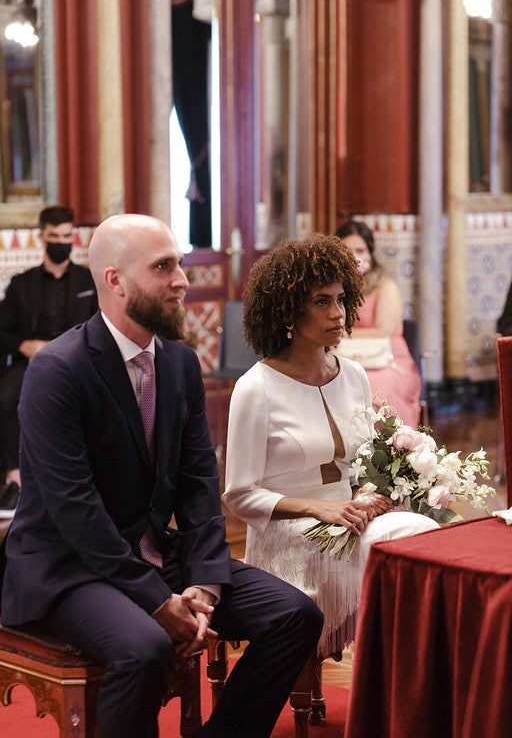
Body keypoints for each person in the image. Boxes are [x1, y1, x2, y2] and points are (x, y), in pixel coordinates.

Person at [0, 213, 323, 738]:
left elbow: (199, 486)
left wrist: (204, 583)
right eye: (163, 267)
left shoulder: (178, 364)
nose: (182, 280)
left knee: (296, 615)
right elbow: (75, 508)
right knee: (146, 646)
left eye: (180, 264)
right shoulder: (57, 371)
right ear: (115, 280)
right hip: (67, 566)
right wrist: (155, 599)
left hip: (153, 553)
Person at [222, 234, 439, 661]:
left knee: (421, 534)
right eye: (322, 301)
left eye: (342, 299)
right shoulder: (255, 388)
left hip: (349, 520)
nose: (338, 313)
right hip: (288, 535)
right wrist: (317, 508)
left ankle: (408, 678)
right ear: (287, 310)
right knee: (396, 544)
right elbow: (238, 495)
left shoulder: (355, 374)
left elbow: (360, 466)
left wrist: (371, 495)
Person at [0, 205, 97, 518]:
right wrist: (26, 345)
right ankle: (16, 480)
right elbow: (3, 332)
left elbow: (100, 325)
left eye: (67, 235)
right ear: (42, 236)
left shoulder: (89, 281)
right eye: (54, 235)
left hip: (76, 362)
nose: (61, 241)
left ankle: (84, 479)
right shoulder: (21, 284)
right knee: (5, 398)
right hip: (31, 361)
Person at [335, 219, 422, 427]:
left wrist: (338, 334)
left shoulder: (385, 286)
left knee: (375, 390)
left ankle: (386, 453)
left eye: (360, 250)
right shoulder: (331, 286)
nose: (355, 256)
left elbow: (383, 331)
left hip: (386, 359)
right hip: (342, 358)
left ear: (370, 254)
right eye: (347, 250)